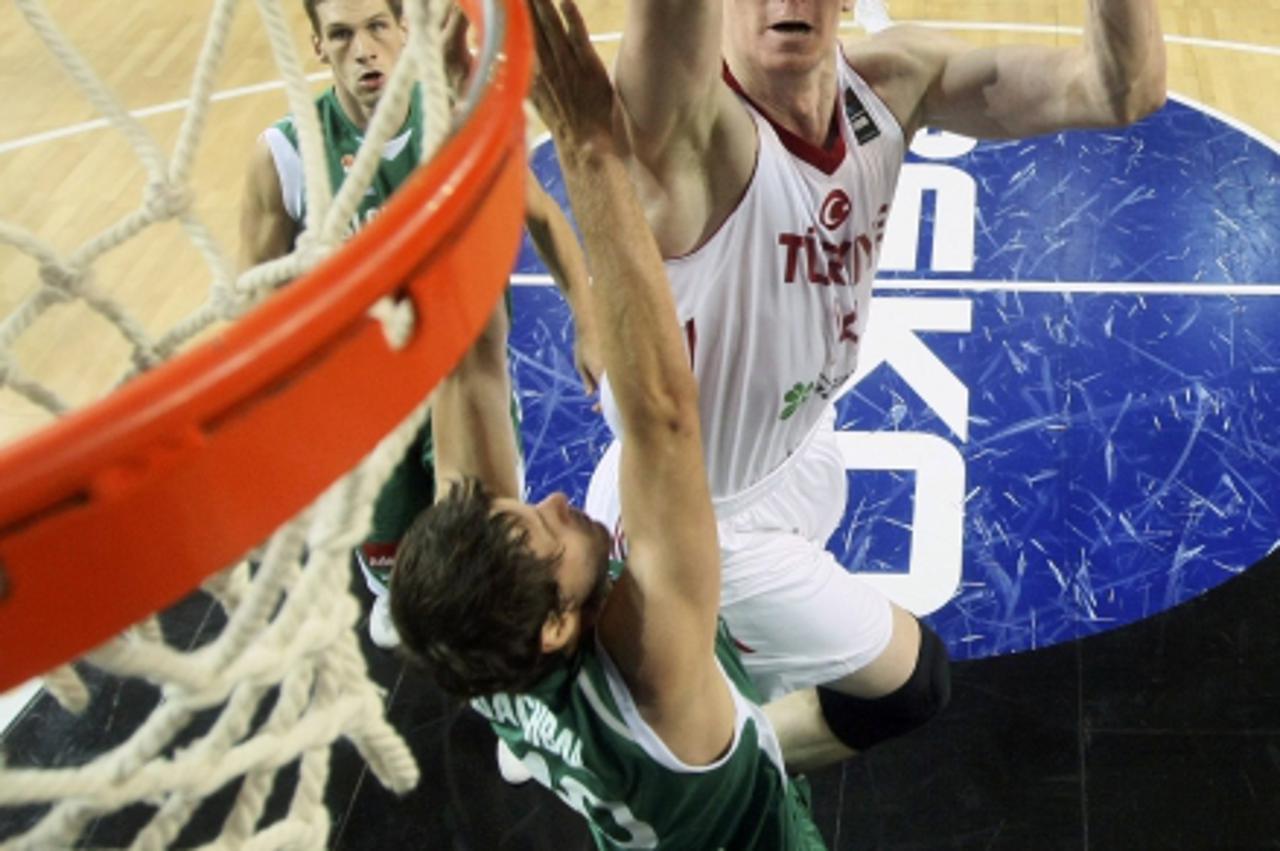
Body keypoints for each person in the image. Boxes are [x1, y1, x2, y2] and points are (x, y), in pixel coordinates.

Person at [583, 0, 1167, 763]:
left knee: (736, 671)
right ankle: (662, 776)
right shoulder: (693, 134)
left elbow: (1120, 90)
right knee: (911, 685)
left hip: (793, 451)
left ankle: (630, 707)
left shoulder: (893, 81)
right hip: (693, 516)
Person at [390, 1, 829, 846]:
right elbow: (663, 417)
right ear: (557, 625)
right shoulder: (655, 675)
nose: (554, 498)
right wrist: (588, 144)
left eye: (525, 507)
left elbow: (472, 353)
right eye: (547, 531)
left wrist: (452, 118)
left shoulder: (481, 638)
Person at [237, 0, 600, 649]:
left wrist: (588, 318)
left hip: (462, 376)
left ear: (406, 29)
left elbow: (542, 217)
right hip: (359, 398)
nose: (364, 49)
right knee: (389, 556)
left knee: (485, 542)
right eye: (342, 35)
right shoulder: (287, 156)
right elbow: (248, 303)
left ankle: (507, 676)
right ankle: (390, 593)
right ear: (318, 47)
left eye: (378, 26)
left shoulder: (459, 126)